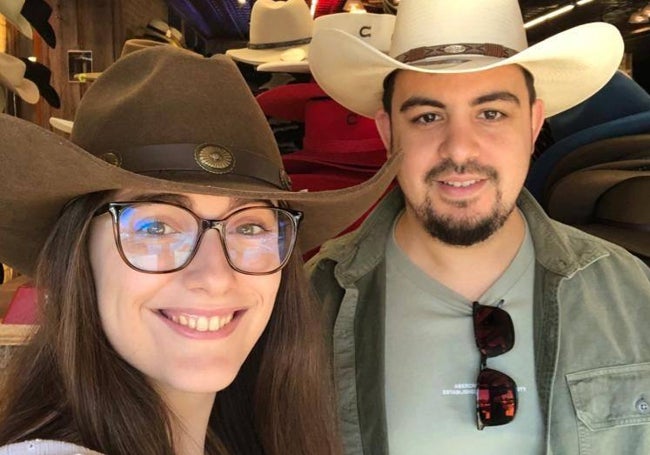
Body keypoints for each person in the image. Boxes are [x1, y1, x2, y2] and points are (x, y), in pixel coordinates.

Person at [0, 46, 399, 454]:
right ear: (78, 252)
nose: (214, 277)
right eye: (156, 227)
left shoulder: (250, 435)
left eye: (248, 226)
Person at [305, 0, 650, 454]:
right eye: (428, 117)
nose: (460, 148)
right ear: (388, 134)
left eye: (491, 113)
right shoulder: (310, 306)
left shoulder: (630, 293)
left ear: (533, 124)